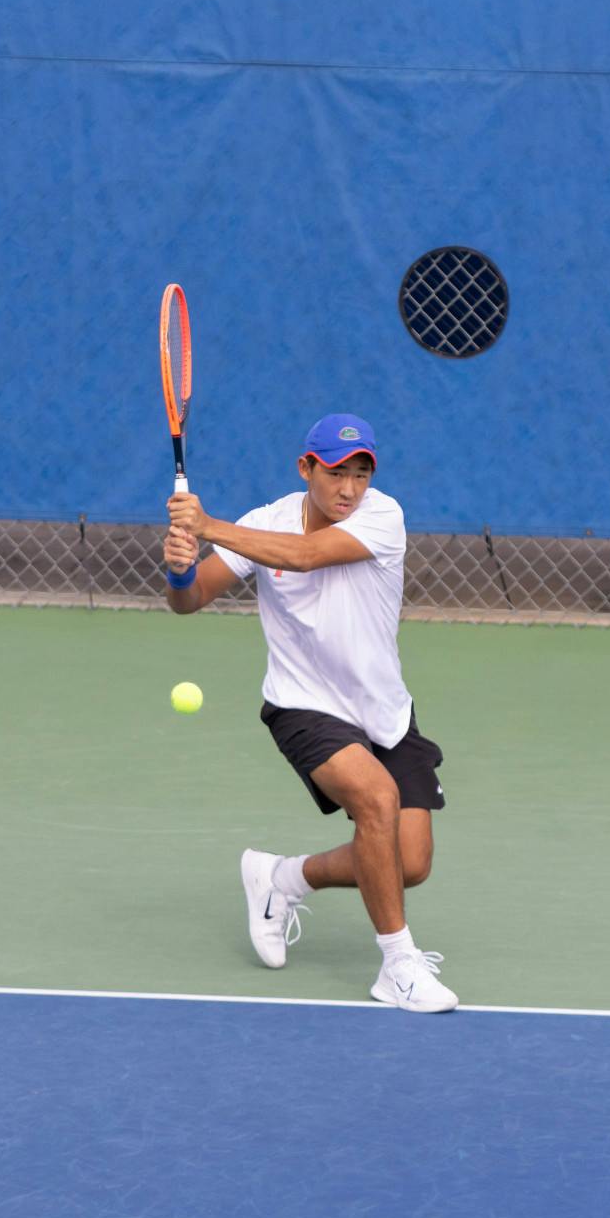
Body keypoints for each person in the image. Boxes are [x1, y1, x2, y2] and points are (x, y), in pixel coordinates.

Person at [162, 413, 456, 1013]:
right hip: (302, 706)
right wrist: (179, 565)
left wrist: (210, 524)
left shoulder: (383, 517)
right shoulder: (264, 524)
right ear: (306, 469)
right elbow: (189, 602)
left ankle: (281, 879)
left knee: (411, 863)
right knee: (375, 800)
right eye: (335, 473)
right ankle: (397, 965)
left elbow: (303, 557)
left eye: (360, 474)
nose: (348, 488)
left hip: (384, 710)